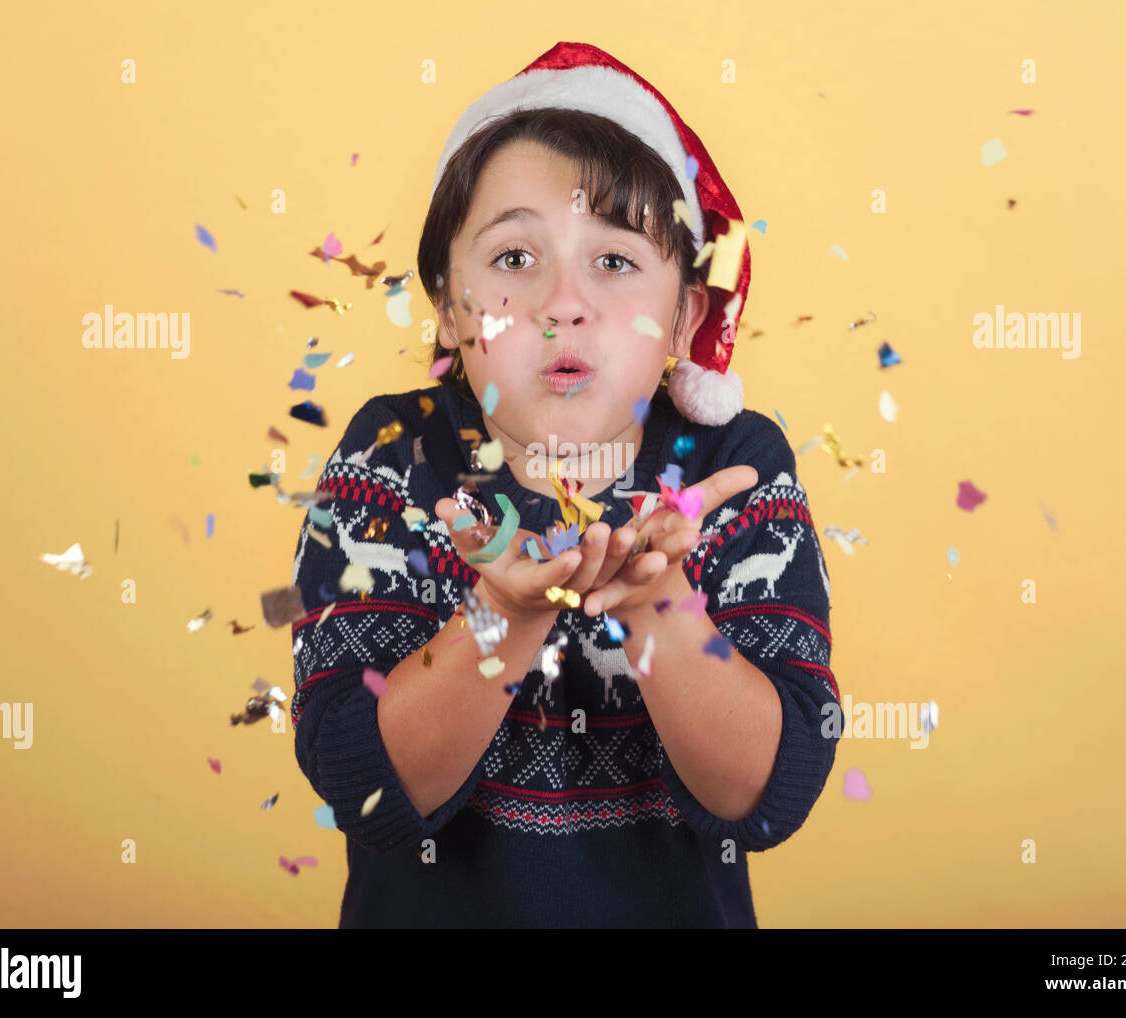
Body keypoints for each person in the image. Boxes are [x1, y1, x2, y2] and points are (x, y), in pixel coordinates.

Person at [290, 41, 841, 928]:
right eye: (514, 259)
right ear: (447, 301)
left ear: (684, 315)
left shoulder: (733, 470)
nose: (562, 303)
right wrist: (501, 618)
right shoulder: (392, 458)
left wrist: (659, 601)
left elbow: (768, 796)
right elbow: (358, 783)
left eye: (616, 262)